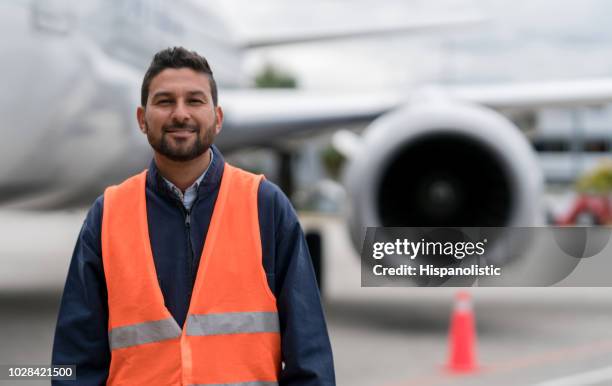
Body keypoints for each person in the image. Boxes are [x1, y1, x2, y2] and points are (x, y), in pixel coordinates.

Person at [52, 47, 335, 386]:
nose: (180, 114)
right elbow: (75, 358)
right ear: (142, 119)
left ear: (218, 117)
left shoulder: (264, 205)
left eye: (195, 101)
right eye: (165, 101)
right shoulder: (109, 213)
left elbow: (309, 350)